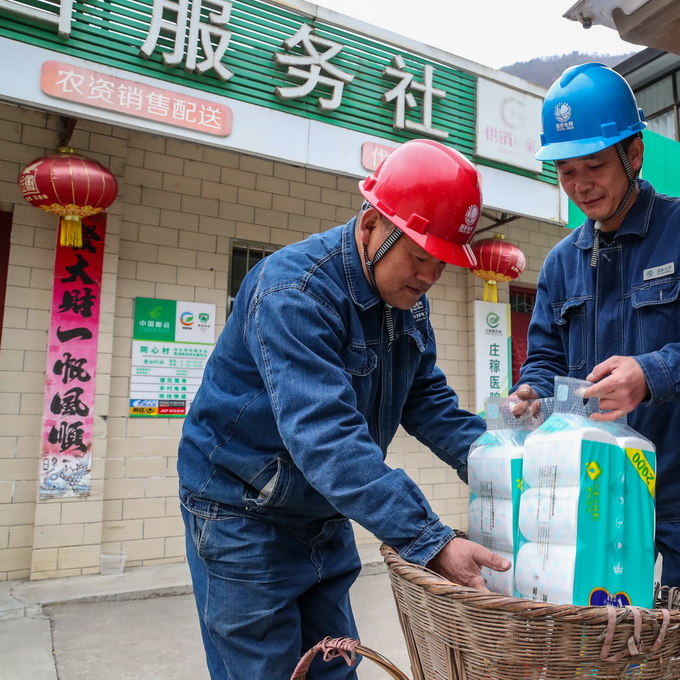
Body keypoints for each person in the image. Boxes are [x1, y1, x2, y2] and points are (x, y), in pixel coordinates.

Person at [177, 139, 509, 679]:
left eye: (441, 263)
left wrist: (508, 469)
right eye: (419, 256)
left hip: (321, 512)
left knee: (333, 666)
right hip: (242, 514)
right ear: (373, 223)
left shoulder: (406, 304)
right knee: (265, 671)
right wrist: (430, 540)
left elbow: (429, 401)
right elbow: (324, 435)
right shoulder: (295, 292)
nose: (428, 276)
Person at [513, 63, 680, 680]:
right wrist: (533, 391)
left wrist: (651, 373)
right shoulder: (561, 263)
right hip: (599, 491)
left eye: (594, 166)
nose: (581, 185)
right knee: (601, 646)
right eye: (566, 171)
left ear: (634, 153)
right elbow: (546, 358)